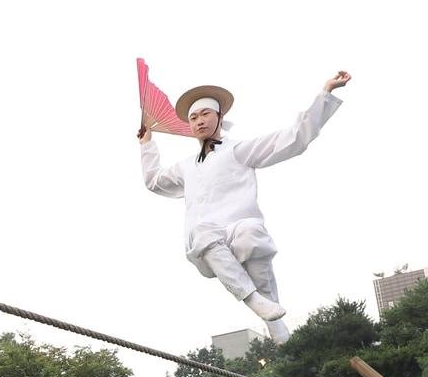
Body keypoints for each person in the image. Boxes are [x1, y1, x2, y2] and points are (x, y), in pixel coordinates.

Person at [138, 71, 351, 342]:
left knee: (252, 230)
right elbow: (154, 181)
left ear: (219, 117)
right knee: (202, 229)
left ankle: (271, 314)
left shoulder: (238, 151)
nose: (199, 121)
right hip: (205, 249)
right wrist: (147, 145)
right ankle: (253, 299)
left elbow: (294, 139)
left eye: (205, 114)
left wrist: (326, 94)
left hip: (240, 235)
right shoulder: (185, 167)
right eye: (193, 118)